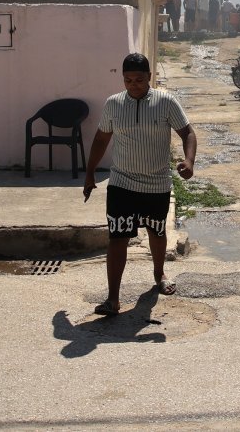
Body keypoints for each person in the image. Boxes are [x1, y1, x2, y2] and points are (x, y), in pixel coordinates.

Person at [83, 53, 197, 316]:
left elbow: (187, 132)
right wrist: (89, 173)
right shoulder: (113, 104)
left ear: (149, 77)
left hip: (157, 184)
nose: (133, 85)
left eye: (139, 79)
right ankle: (113, 299)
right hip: (122, 183)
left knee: (157, 234)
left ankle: (159, 275)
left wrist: (189, 161)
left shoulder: (166, 102)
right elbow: (101, 139)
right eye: (128, 80)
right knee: (117, 237)